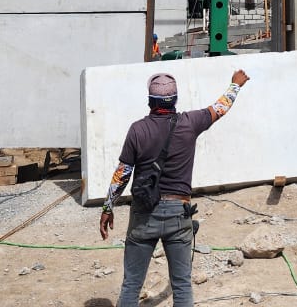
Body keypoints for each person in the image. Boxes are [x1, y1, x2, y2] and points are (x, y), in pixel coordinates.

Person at [100, 69, 250, 307]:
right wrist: (236, 85)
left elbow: (123, 174)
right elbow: (221, 107)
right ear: (175, 100)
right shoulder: (190, 123)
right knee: (181, 285)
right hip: (179, 214)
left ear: (150, 101)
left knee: (131, 285)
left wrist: (108, 208)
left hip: (143, 213)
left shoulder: (137, 130)